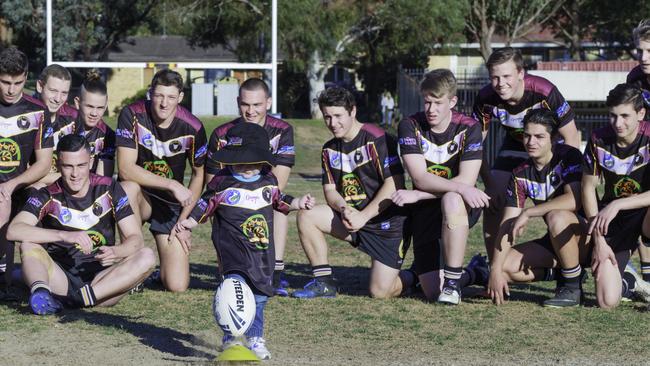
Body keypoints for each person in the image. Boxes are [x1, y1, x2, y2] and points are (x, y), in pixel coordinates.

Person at [171, 122, 314, 360]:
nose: (247, 168)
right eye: (241, 162)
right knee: (235, 292)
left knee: (258, 297)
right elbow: (206, 204)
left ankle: (255, 337)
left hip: (261, 253)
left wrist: (298, 203)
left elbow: (279, 201)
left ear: (263, 160)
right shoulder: (221, 183)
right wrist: (192, 222)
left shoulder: (268, 181)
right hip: (232, 251)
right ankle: (232, 339)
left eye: (252, 162)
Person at [6, 134, 154, 315]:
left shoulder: (110, 188)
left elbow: (136, 239)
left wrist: (117, 252)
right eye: (68, 166)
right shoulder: (46, 194)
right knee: (28, 243)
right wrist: (64, 235)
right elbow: (14, 230)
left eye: (81, 165)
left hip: (102, 282)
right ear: (58, 165)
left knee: (147, 256)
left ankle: (78, 300)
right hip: (61, 278)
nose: (75, 174)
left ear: (91, 162)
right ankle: (41, 292)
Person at [292, 86, 414, 299]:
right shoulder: (329, 149)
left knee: (380, 292)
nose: (332, 123)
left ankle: (417, 275)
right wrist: (344, 208)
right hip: (354, 221)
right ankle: (323, 283)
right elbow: (330, 190)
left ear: (353, 111)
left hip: (388, 226)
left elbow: (395, 183)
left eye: (338, 116)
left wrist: (363, 216)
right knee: (306, 215)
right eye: (327, 117)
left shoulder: (378, 139)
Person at [391, 69, 489, 304]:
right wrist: (425, 192)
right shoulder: (409, 125)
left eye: (438, 102)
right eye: (427, 102)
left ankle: (453, 284)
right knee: (433, 292)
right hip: (425, 209)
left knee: (452, 198)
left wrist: (417, 194)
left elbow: (466, 181)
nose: (431, 109)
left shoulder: (470, 128)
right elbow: (421, 176)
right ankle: (475, 272)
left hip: (459, 205)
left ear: (452, 101)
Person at [473, 47, 580, 262]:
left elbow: (571, 137)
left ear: (521, 73)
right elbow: (474, 146)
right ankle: (495, 266)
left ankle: (572, 260)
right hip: (514, 146)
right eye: (495, 77)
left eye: (506, 76)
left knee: (560, 206)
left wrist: (568, 178)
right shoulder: (485, 98)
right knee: (492, 201)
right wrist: (489, 183)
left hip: (550, 150)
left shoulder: (545, 91)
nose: (501, 83)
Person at [116, 69, 207, 292]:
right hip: (141, 197)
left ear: (181, 98)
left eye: (171, 97)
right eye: (159, 96)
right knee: (126, 188)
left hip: (170, 205)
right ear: (150, 93)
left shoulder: (193, 127)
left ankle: (160, 271)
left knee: (176, 285)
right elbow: (126, 169)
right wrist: (172, 184)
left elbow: (199, 175)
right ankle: (131, 267)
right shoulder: (132, 115)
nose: (164, 103)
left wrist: (184, 221)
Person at [487, 109, 590, 307]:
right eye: (527, 135)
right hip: (556, 241)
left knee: (557, 216)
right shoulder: (520, 173)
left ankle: (572, 288)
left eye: (539, 136)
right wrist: (494, 269)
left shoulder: (569, 156)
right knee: (505, 267)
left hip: (587, 238)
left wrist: (529, 212)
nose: (531, 142)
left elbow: (574, 200)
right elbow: (508, 223)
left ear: (554, 138)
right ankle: (561, 273)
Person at [206, 78, 295, 296]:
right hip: (231, 199)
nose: (251, 111)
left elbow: (278, 182)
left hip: (262, 198)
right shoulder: (222, 134)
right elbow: (213, 185)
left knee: (277, 204)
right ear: (238, 102)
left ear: (269, 102)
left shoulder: (282, 130)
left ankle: (274, 271)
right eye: (245, 104)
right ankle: (229, 269)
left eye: (257, 105)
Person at [583, 84, 650, 309]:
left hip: (644, 212)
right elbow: (587, 188)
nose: (618, 123)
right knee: (607, 301)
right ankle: (628, 282)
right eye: (613, 116)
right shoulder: (598, 139)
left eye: (625, 116)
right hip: (613, 220)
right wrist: (599, 241)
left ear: (641, 114)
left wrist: (619, 203)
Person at [0, 47, 53, 292]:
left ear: (26, 77)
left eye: (18, 83)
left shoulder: (38, 112)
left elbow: (44, 163)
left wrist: (11, 185)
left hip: (19, 188)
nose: (11, 90)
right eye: (5, 82)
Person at [626, 18, 650, 283]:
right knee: (639, 200)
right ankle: (646, 271)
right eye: (640, 50)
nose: (643, 57)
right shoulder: (634, 78)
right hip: (644, 149)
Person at [34, 64, 77, 186]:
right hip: (30, 187)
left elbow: (81, 170)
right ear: (39, 86)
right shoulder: (25, 118)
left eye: (64, 93)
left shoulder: (74, 119)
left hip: (65, 186)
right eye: (53, 91)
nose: (58, 99)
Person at [73, 71, 115, 177]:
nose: (94, 113)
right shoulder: (64, 126)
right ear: (77, 103)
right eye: (90, 106)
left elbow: (103, 179)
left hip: (91, 187)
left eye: (100, 108)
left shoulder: (108, 135)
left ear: (105, 107)